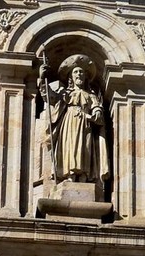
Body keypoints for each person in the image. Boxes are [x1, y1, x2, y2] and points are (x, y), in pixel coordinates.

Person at [39, 54, 109, 185]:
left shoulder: (91, 95)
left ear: (86, 76)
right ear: (71, 77)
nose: (79, 74)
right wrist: (42, 79)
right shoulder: (65, 93)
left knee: (85, 149)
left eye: (81, 72)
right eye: (76, 72)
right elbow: (50, 96)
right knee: (69, 149)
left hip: (85, 125)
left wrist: (95, 114)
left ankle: (83, 176)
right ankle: (70, 175)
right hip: (69, 123)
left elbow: (97, 109)